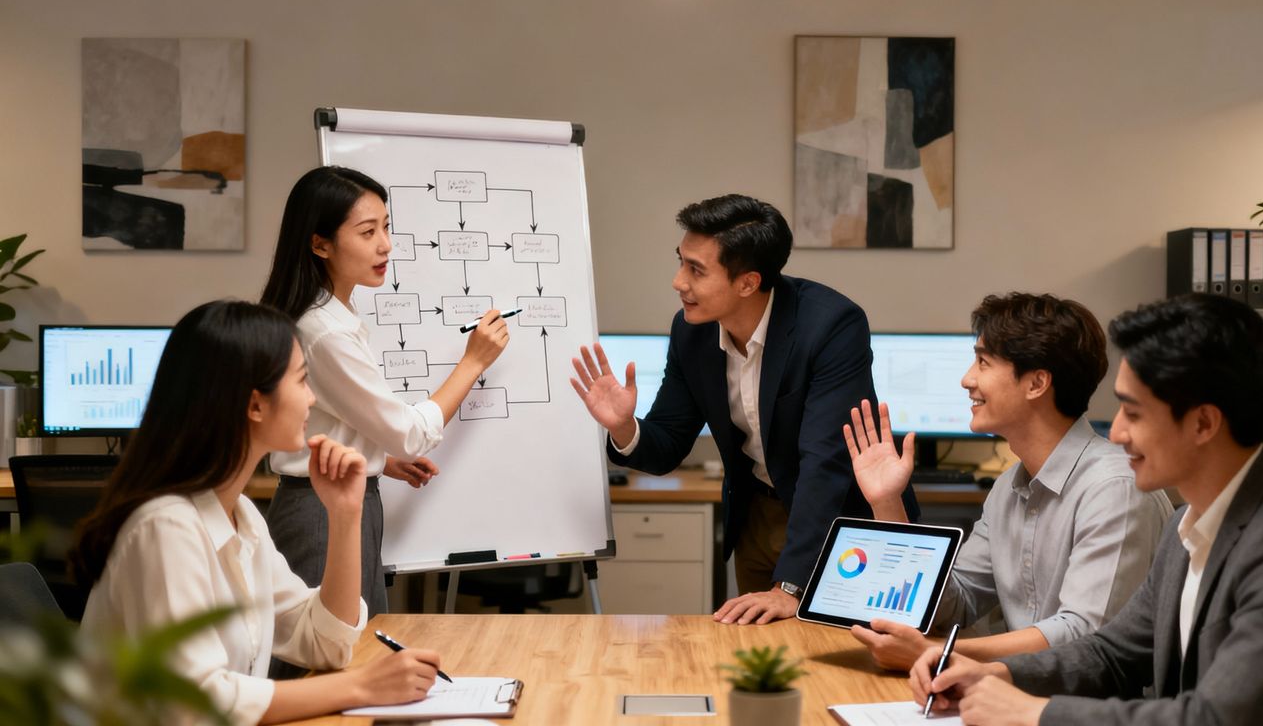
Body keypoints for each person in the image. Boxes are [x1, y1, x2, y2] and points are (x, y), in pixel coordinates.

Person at [908, 294, 1263, 726]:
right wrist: (998, 675)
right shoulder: (1191, 525)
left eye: (1133, 412)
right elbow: (1111, 653)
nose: (1119, 433)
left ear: (1203, 423)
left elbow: (1218, 719)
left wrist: (1034, 713)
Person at [73, 301, 442, 725]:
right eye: (303, 381)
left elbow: (323, 641)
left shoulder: (241, 515)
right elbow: (193, 703)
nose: (312, 398)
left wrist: (345, 515)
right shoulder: (166, 527)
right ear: (255, 405)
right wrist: (362, 686)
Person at [570, 193, 917, 625]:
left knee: (839, 658)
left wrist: (790, 586)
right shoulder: (691, 331)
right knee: (755, 650)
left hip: (837, 523)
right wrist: (624, 428)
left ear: (748, 283)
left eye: (696, 270)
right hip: (756, 513)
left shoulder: (830, 326)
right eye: (680, 261)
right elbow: (667, 445)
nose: (678, 282)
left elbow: (825, 462)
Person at [845, 293, 1173, 668]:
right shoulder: (1007, 488)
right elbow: (956, 603)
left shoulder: (1113, 489)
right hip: (1017, 692)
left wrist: (941, 655)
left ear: (1036, 383)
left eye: (983, 362)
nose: (967, 379)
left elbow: (1083, 637)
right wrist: (888, 503)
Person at [260, 166, 509, 614]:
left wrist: (377, 459)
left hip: (336, 499)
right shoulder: (325, 330)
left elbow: (329, 419)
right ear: (320, 243)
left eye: (386, 227)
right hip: (320, 513)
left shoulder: (329, 313)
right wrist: (473, 362)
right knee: (332, 659)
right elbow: (410, 433)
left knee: (353, 651)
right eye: (367, 231)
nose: (385, 245)